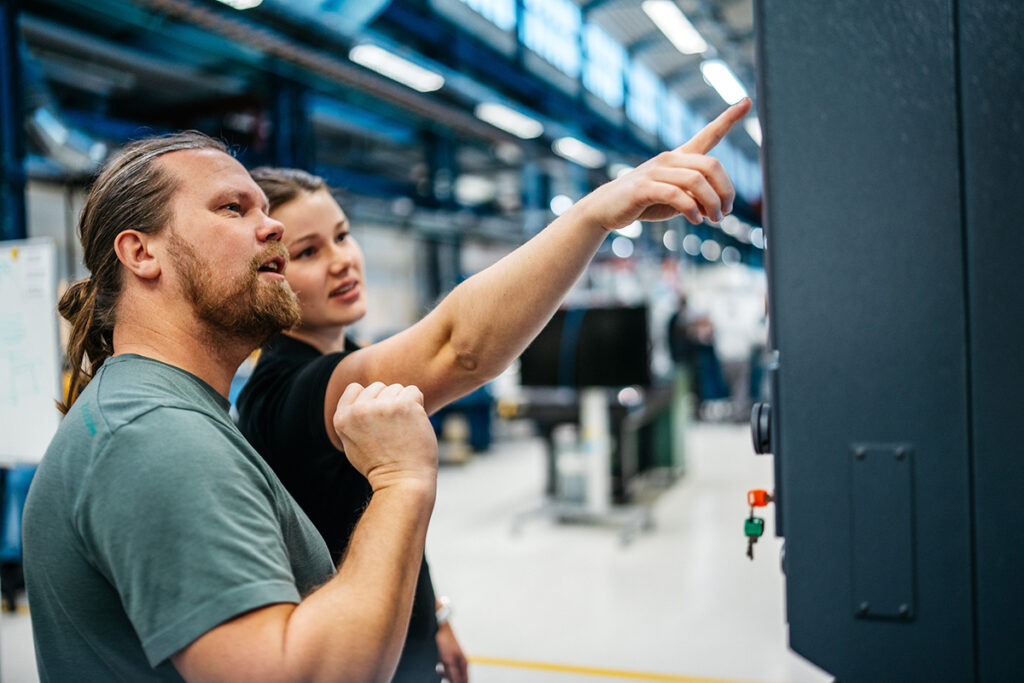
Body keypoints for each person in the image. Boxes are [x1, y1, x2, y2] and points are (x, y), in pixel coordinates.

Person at [236, 99, 753, 682]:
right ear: (268, 276)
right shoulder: (289, 391)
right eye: (307, 252)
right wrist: (595, 215)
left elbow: (361, 523)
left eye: (342, 235)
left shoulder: (343, 363)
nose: (342, 260)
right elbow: (459, 347)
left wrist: (433, 616)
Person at [21, 131, 440, 682]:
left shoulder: (160, 412)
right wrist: (400, 482)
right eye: (232, 208)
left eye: (264, 210)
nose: (274, 229)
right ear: (142, 253)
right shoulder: (157, 438)